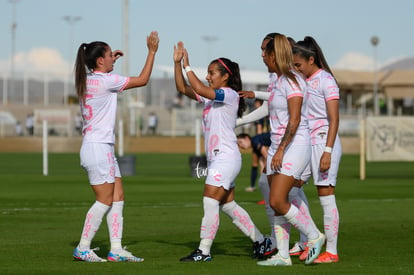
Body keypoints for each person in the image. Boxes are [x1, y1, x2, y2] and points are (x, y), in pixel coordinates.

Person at [173, 41, 273, 262]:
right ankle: (260, 240)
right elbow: (183, 88)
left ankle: (204, 251)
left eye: (211, 73)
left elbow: (198, 87)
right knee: (227, 205)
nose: (208, 76)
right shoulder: (212, 97)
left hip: (226, 157)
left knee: (210, 201)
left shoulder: (228, 94)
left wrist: (188, 66)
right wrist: (177, 64)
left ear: (225, 77)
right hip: (220, 158)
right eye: (207, 73)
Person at [72, 31, 159, 262]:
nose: (113, 57)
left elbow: (103, 78)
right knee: (105, 200)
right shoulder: (107, 81)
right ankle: (82, 247)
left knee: (118, 197)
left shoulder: (89, 79)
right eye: (110, 55)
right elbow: (142, 80)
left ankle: (116, 249)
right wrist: (151, 52)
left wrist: (111, 63)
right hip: (98, 148)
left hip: (100, 147)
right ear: (100, 60)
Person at [247, 33, 324, 266]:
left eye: (265, 53)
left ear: (274, 55)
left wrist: (280, 150)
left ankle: (314, 235)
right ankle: (282, 255)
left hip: (294, 146)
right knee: (275, 202)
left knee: (279, 201)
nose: (262, 56)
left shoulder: (292, 80)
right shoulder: (278, 80)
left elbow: (295, 120)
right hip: (278, 146)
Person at [292, 36, 342, 263]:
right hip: (307, 142)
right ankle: (310, 239)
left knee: (325, 195)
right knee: (292, 187)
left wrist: (328, 151)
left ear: (311, 60)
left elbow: (334, 119)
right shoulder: (304, 80)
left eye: (299, 65)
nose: (296, 69)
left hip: (324, 142)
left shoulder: (326, 80)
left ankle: (331, 251)